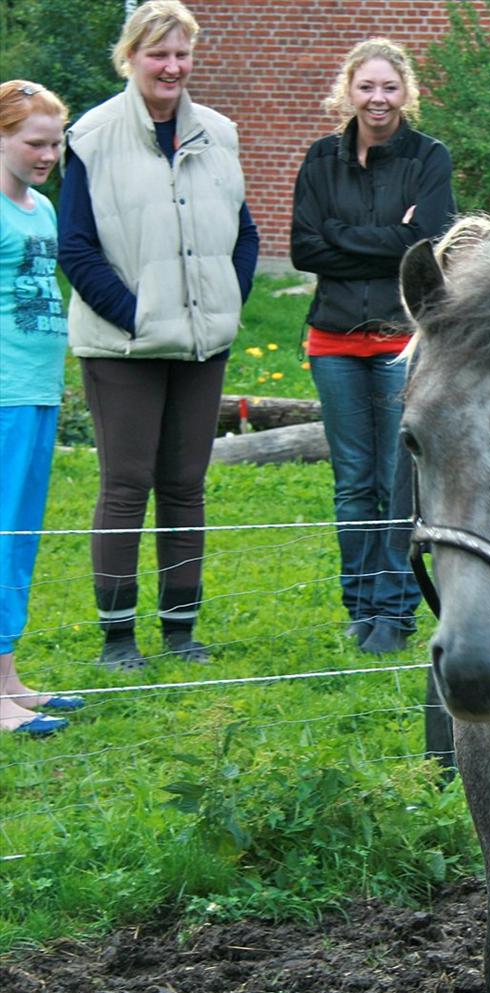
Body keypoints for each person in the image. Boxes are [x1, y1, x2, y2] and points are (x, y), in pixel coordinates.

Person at [57, 0, 259, 671]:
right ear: (131, 57)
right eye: (157, 54)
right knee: (126, 483)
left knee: (184, 484)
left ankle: (180, 630)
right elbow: (78, 248)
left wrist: (224, 304)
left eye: (181, 54)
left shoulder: (221, 134)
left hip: (204, 343)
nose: (171, 67)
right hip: (125, 347)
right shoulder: (90, 136)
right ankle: (118, 638)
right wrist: (139, 316)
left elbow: (244, 234)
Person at [291, 38, 456, 654]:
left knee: (397, 479)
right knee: (353, 479)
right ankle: (359, 604)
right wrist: (390, 236)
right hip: (332, 338)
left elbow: (429, 242)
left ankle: (394, 610)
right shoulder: (321, 159)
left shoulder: (428, 158)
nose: (378, 98)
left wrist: (341, 234)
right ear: (349, 92)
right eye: (367, 87)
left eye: (389, 87)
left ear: (405, 91)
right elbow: (305, 247)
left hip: (400, 341)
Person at [0, 80, 84, 736]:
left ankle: (8, 678)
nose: (47, 153)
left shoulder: (43, 211)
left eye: (55, 142)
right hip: (3, 397)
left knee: (19, 541)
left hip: (38, 392)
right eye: (34, 142)